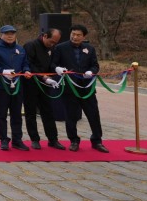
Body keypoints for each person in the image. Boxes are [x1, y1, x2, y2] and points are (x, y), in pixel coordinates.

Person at [50, 24, 108, 153]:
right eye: (73, 34)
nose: (75, 37)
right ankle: (74, 140)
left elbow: (95, 65)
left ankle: (97, 141)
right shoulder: (60, 48)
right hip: (70, 88)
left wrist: (91, 72)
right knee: (71, 116)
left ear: (84, 37)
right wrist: (57, 69)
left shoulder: (89, 48)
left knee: (93, 115)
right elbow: (53, 64)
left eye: (78, 35)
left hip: (87, 88)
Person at [0, 25, 32, 151]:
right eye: (7, 33)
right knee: (1, 114)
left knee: (17, 114)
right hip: (0, 86)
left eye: (12, 33)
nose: (10, 36)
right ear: (1, 34)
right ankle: (3, 139)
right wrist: (2, 71)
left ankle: (17, 140)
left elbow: (25, 63)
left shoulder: (20, 48)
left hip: (17, 85)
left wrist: (27, 70)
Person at [22, 29, 65, 150]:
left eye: (55, 43)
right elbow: (29, 64)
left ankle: (53, 139)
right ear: (45, 36)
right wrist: (42, 76)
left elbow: (51, 63)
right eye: (51, 41)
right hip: (31, 83)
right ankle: (34, 139)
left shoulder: (51, 48)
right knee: (30, 112)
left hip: (45, 84)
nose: (52, 45)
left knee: (48, 111)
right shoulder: (31, 45)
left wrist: (56, 69)